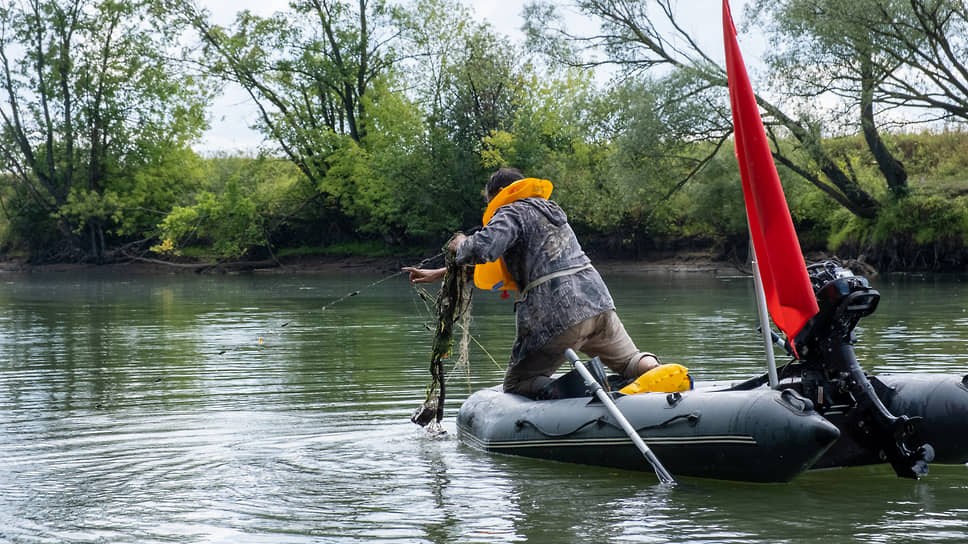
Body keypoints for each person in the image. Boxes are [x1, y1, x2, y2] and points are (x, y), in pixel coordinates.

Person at [404, 167, 659, 398]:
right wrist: (439, 273)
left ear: (502, 193)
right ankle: (658, 370)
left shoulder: (511, 210)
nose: (491, 208)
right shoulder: (552, 211)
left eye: (490, 201)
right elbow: (504, 266)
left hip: (557, 311)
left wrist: (459, 243)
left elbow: (483, 249)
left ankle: (579, 391)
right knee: (630, 363)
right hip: (598, 302)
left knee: (517, 383)